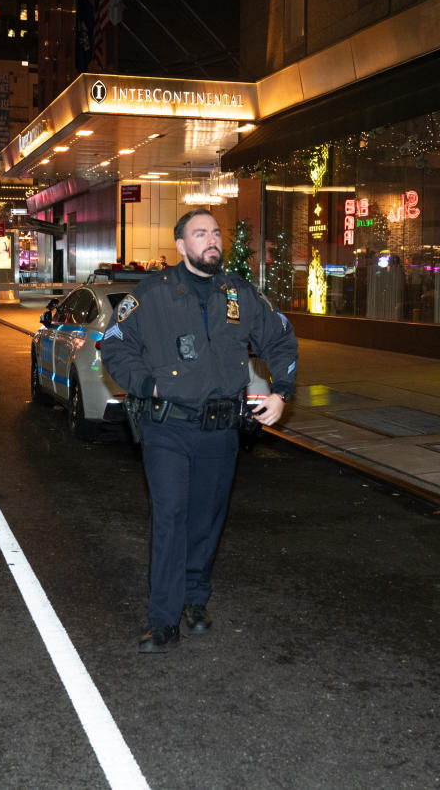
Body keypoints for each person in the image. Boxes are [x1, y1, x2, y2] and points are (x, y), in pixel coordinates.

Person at [100, 207, 299, 653]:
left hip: (221, 429)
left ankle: (195, 599)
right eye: (200, 233)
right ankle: (163, 618)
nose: (211, 240)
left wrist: (281, 393)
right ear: (181, 245)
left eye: (215, 232)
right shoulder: (150, 295)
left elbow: (282, 340)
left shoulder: (241, 294)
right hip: (167, 428)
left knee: (206, 520)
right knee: (170, 517)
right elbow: (114, 346)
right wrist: (146, 383)